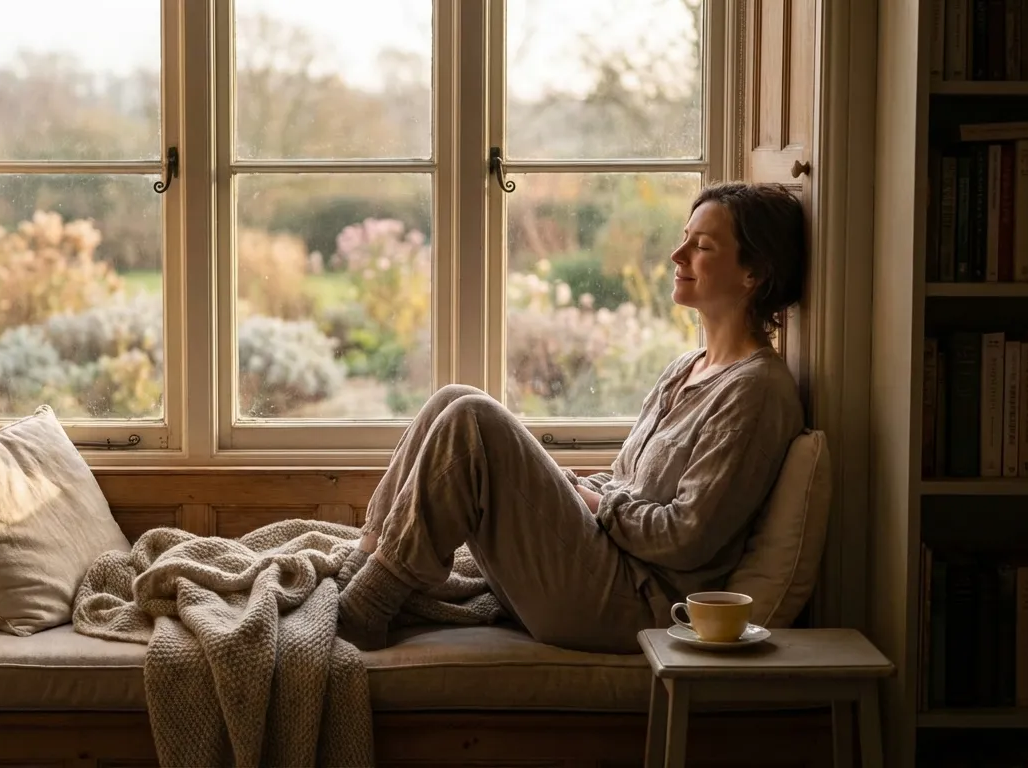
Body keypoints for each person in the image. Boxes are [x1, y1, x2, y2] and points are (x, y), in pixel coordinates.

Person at [335, 181, 809, 655]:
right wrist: (571, 489)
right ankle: (367, 560)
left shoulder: (757, 391)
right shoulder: (686, 368)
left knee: (472, 418)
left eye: (701, 246)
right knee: (453, 397)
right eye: (684, 237)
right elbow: (627, 481)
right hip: (604, 563)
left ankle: (367, 608)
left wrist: (597, 505)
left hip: (636, 603)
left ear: (755, 273)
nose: (676, 254)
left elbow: (687, 537)